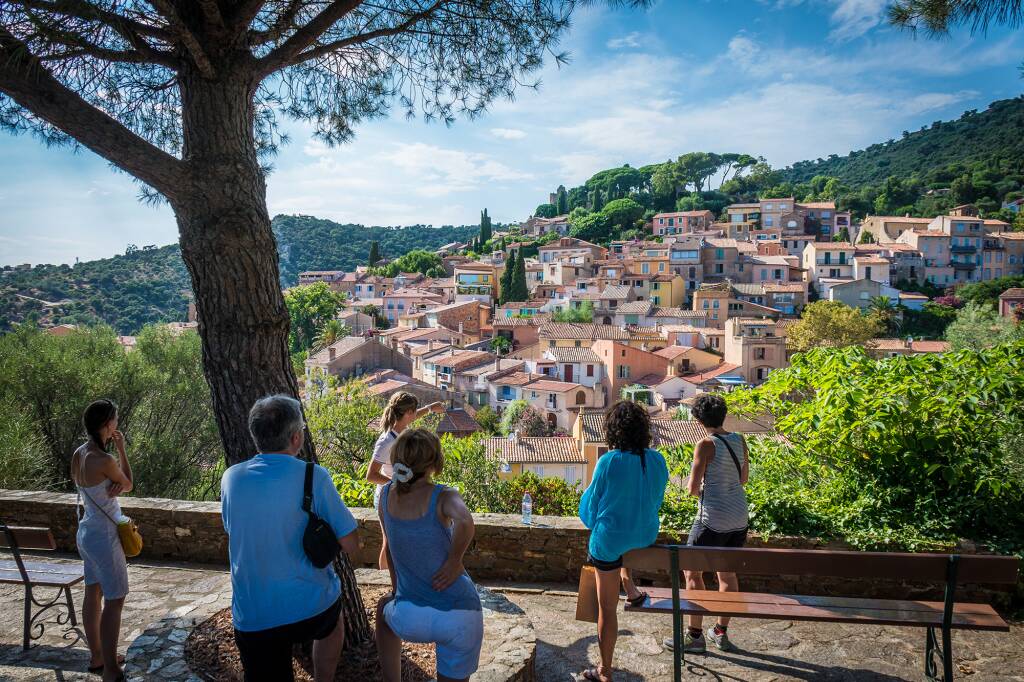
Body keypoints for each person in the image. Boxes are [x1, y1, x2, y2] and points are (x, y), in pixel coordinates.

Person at [221, 395, 360, 682]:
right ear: (296, 438)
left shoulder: (231, 478)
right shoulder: (314, 476)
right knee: (333, 624)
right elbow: (351, 543)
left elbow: (231, 527)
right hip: (312, 608)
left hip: (254, 615)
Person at [375, 428, 482, 682]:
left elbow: (389, 549)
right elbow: (465, 521)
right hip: (461, 614)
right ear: (433, 463)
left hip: (410, 616)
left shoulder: (386, 497)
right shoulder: (444, 495)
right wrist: (454, 561)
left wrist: (398, 590)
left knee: (383, 610)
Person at [578, 401, 669, 682]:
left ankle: (604, 670)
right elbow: (656, 500)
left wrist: (599, 522)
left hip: (611, 542)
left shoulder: (608, 461)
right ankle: (629, 586)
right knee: (623, 544)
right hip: (644, 535)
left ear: (613, 431)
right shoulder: (657, 460)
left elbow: (590, 513)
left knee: (607, 607)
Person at [670, 393, 749, 654]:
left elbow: (692, 488)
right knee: (727, 575)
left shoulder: (705, 444)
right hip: (738, 518)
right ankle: (720, 631)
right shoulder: (740, 440)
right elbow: (743, 479)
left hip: (712, 519)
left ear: (700, 419)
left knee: (692, 573)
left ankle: (694, 636)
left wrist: (706, 485)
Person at [72, 399, 134, 682]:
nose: (117, 424)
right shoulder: (105, 460)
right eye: (115, 419)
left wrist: (112, 483)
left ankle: (97, 656)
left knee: (92, 592)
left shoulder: (79, 454)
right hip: (105, 536)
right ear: (108, 424)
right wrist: (121, 449)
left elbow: (91, 487)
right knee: (115, 599)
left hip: (86, 530)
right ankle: (110, 668)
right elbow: (129, 484)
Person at [366, 392, 445, 568]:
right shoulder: (386, 441)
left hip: (401, 494)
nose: (416, 414)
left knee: (399, 541)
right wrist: (396, 484)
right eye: (414, 411)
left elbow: (416, 415)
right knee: (389, 542)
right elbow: (370, 475)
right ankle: (385, 580)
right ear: (408, 412)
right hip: (386, 496)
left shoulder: (402, 431)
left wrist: (431, 408)